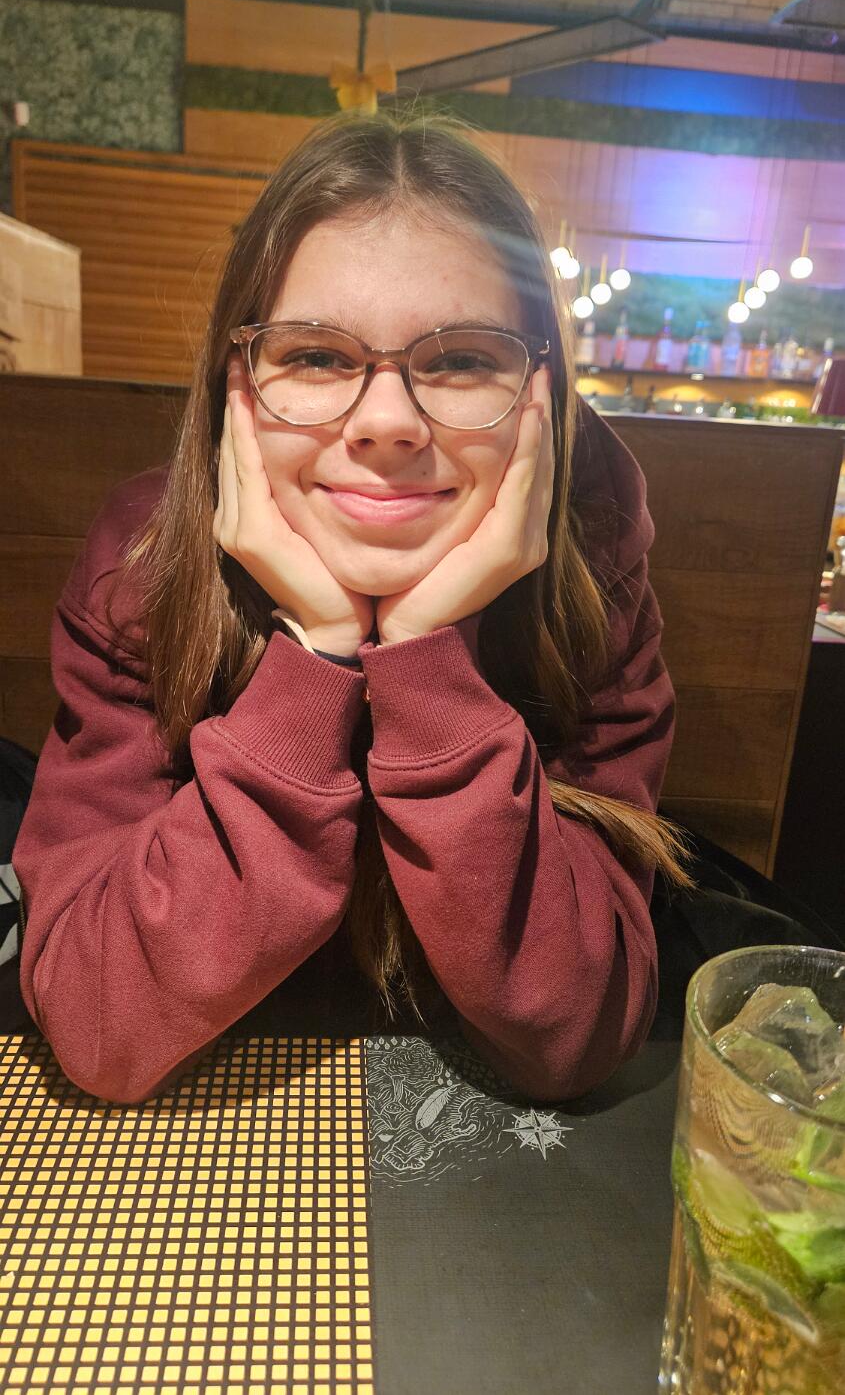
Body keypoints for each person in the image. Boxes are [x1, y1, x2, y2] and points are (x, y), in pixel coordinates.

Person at [13, 110, 691, 1106]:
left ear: (539, 393)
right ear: (237, 385)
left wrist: (423, 666)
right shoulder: (144, 571)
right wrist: (316, 664)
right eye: (318, 357)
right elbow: (99, 1021)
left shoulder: (588, 573)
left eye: (461, 359)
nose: (385, 422)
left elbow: (578, 1031)